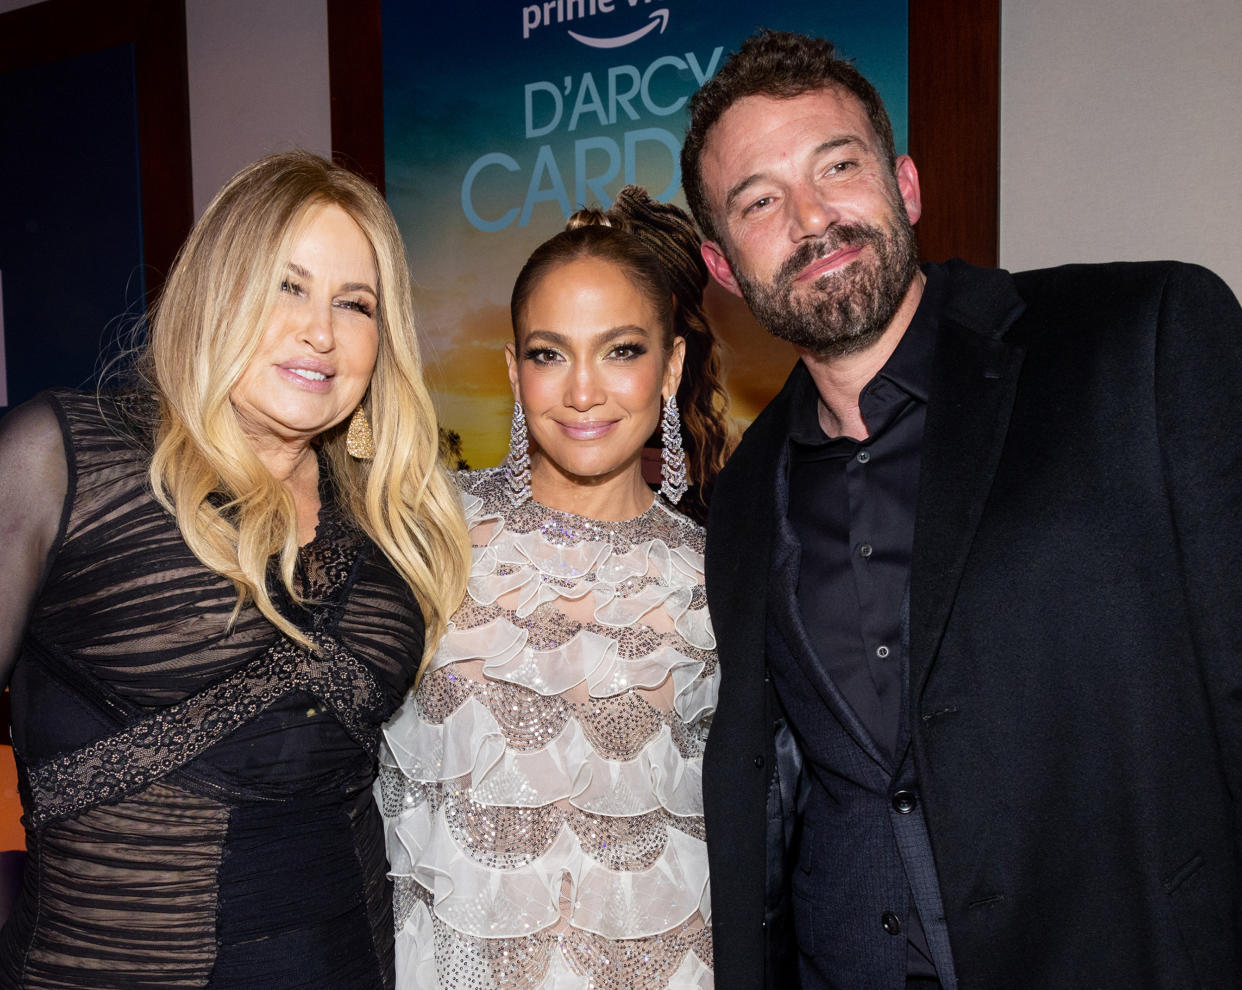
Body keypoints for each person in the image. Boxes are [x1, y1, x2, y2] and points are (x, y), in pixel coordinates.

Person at [679, 28, 1242, 990]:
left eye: (837, 166)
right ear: (726, 266)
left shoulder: (1142, 341)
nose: (811, 219)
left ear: (905, 186)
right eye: (760, 201)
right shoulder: (739, 496)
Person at [0, 150, 470, 989]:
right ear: (217, 288)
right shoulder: (59, 458)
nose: (319, 331)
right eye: (286, 286)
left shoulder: (391, 513)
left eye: (353, 304)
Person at [376, 186, 731, 989]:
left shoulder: (719, 578)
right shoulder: (426, 534)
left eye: (621, 350)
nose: (581, 391)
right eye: (548, 353)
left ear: (671, 366)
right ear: (512, 367)